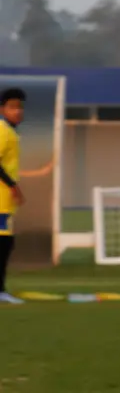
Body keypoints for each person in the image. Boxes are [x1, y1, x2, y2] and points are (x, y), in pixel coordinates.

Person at [0, 88, 26, 305]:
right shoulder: (1, 130)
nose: (18, 111)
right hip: (0, 198)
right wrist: (13, 186)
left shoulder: (11, 132)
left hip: (5, 200)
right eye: (13, 106)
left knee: (5, 242)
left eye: (20, 106)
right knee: (4, 243)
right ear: (2, 109)